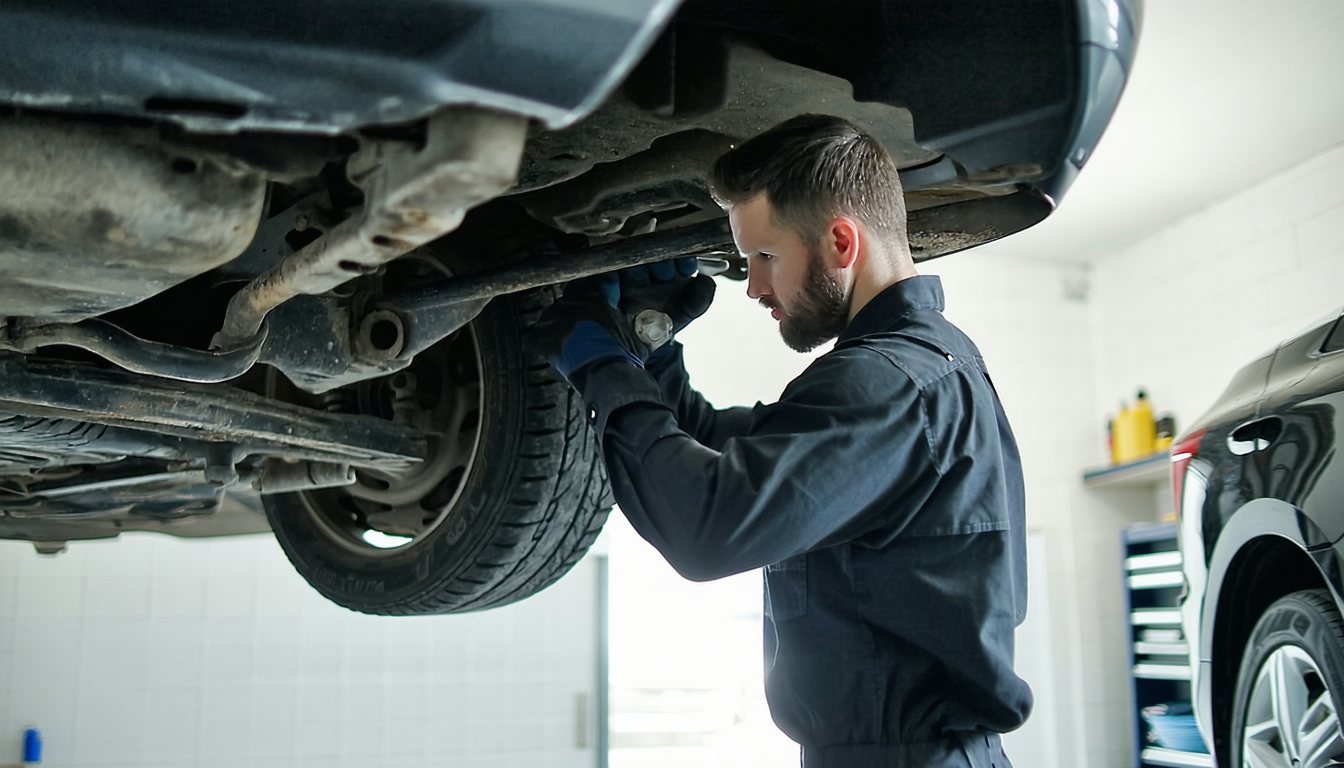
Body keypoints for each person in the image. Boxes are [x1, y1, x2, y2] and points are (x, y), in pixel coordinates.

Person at [533, 114, 1031, 768]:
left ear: (841, 242)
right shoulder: (912, 370)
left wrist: (605, 368)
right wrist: (648, 349)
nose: (755, 287)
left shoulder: (888, 384)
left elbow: (711, 525)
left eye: (765, 257)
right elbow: (718, 451)